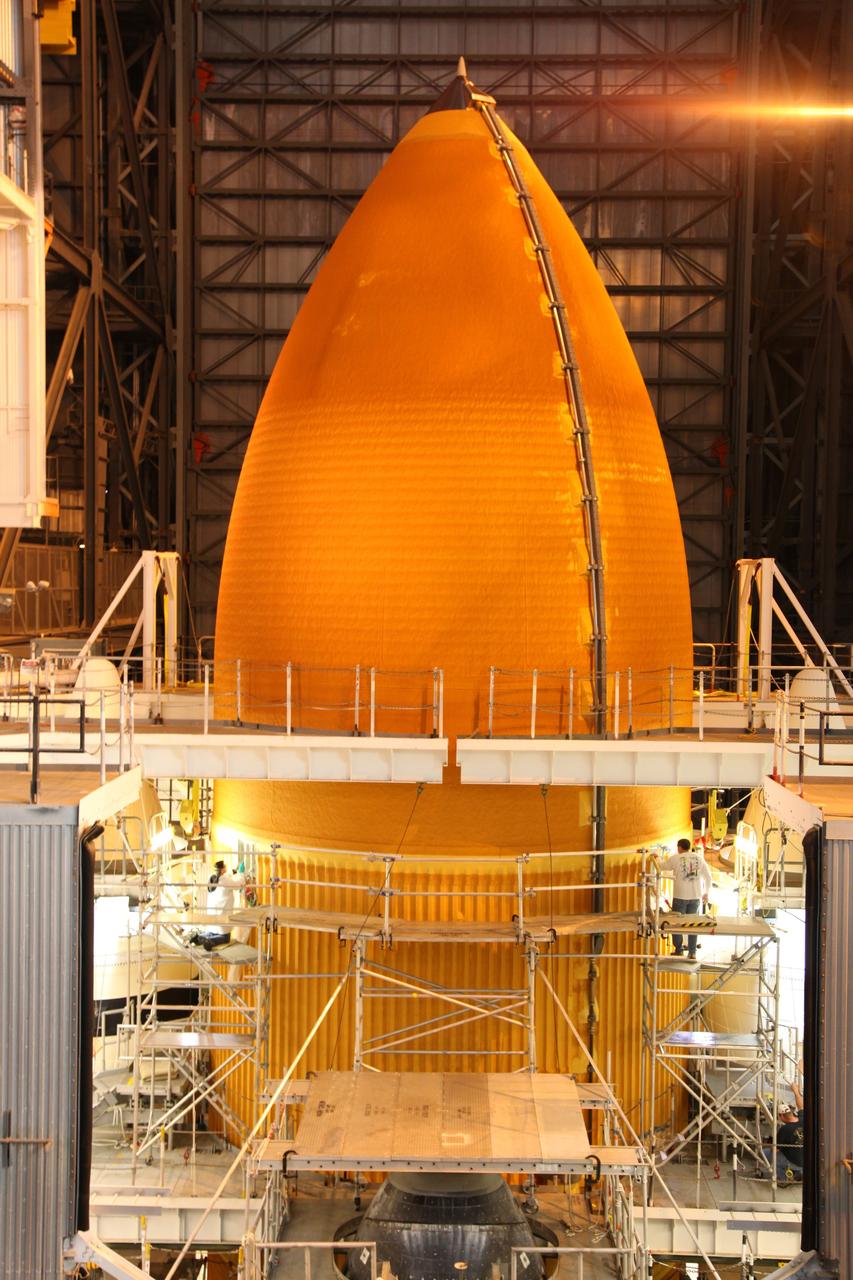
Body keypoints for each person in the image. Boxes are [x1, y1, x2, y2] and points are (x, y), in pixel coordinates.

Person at [661, 838, 712, 958]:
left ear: (679, 847)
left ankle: (679, 949)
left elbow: (662, 867)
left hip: (680, 896)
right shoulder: (699, 858)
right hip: (695, 897)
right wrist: (706, 893)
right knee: (693, 925)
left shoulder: (675, 858)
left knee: (676, 924)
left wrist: (656, 858)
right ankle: (692, 952)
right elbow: (708, 877)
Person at [761, 1084, 805, 1183]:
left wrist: (767, 1144)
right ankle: (797, 1173)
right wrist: (796, 1091)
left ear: (781, 1116)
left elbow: (775, 1150)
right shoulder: (803, 1119)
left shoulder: (784, 1130)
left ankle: (783, 1179)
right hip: (808, 1159)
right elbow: (801, 1106)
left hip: (797, 1162)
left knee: (766, 1153)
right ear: (792, 1112)